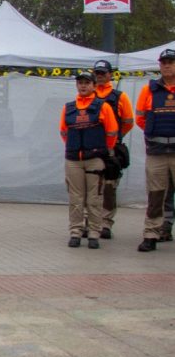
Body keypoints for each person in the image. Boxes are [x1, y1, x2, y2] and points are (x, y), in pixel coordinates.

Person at [59, 71, 118, 249]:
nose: (83, 86)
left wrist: (100, 150)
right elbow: (63, 132)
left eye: (87, 83)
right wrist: (75, 149)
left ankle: (94, 233)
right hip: (74, 159)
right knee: (76, 198)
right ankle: (76, 232)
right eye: (80, 83)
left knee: (95, 198)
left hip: (95, 160)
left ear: (93, 86)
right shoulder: (68, 108)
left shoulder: (103, 107)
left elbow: (112, 132)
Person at [135, 47, 175, 253]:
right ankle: (151, 234)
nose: (167, 65)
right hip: (157, 152)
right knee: (156, 195)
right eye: (164, 62)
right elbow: (140, 118)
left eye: (170, 62)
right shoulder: (148, 90)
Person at [90, 59, 134, 239]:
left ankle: (106, 223)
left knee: (109, 187)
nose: (100, 76)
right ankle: (90, 222)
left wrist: (114, 138)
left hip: (111, 149)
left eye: (103, 73)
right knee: (92, 187)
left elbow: (129, 122)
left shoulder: (119, 96)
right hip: (91, 148)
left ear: (110, 75)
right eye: (97, 73)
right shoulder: (87, 95)